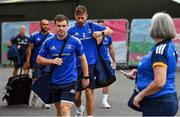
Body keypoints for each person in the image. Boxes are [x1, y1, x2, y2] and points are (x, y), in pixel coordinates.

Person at [126, 12, 178, 116]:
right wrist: (139, 73)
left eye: (152, 24)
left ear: (157, 27)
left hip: (158, 101)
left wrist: (140, 95)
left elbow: (159, 82)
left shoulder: (160, 50)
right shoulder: (166, 46)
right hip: (163, 101)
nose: (150, 27)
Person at [36, 14, 89, 117]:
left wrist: (86, 77)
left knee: (65, 109)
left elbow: (83, 59)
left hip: (70, 81)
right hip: (54, 81)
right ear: (55, 26)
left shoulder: (75, 41)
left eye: (64, 26)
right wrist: (52, 61)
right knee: (60, 111)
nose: (61, 28)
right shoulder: (48, 42)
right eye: (59, 26)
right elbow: (39, 59)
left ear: (67, 26)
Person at [68, 5, 113, 116]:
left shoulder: (93, 26)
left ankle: (90, 115)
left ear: (86, 16)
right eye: (78, 17)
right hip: (77, 66)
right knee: (76, 96)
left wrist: (101, 33)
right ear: (75, 16)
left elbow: (109, 30)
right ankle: (79, 108)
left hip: (90, 64)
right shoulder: (71, 31)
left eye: (82, 17)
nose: (80, 20)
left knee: (89, 91)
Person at [23, 19, 53, 109]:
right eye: (44, 24)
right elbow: (29, 49)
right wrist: (28, 62)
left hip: (48, 62)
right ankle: (35, 95)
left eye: (47, 24)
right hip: (36, 62)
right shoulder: (34, 35)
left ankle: (45, 102)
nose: (46, 26)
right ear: (40, 25)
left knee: (47, 82)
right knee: (36, 81)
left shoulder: (52, 36)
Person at [96, 19, 116, 109]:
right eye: (99, 26)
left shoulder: (108, 36)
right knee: (89, 81)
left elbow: (111, 48)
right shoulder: (93, 36)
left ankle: (104, 101)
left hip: (105, 60)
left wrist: (114, 60)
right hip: (94, 61)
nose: (101, 28)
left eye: (102, 26)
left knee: (107, 80)